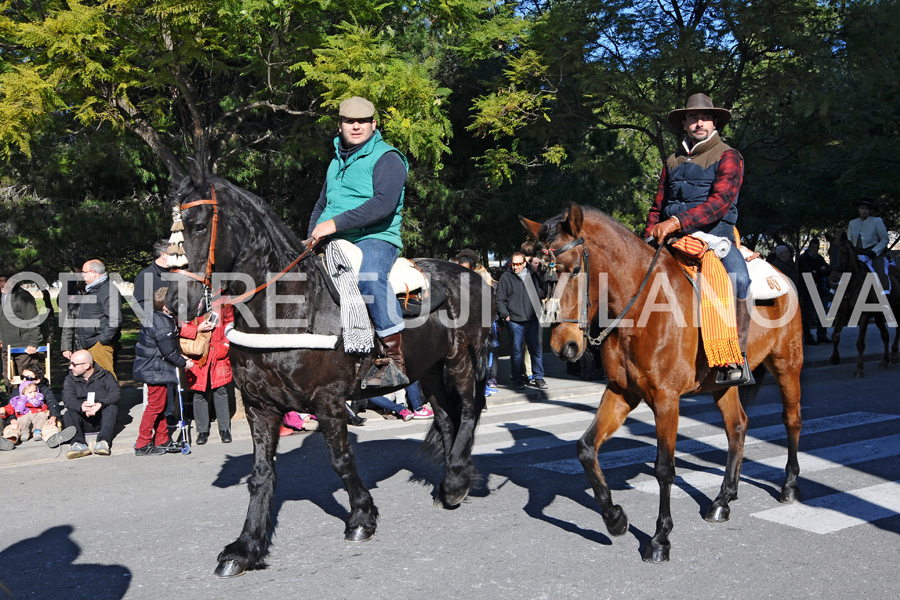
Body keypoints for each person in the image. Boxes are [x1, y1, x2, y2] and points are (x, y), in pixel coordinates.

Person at [643, 92, 752, 385]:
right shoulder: (673, 159)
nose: (699, 122)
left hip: (716, 238)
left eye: (704, 117)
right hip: (673, 238)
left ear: (714, 121)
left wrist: (677, 220)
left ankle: (736, 358)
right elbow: (657, 206)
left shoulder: (729, 155)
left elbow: (720, 202)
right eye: (693, 117)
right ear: (685, 124)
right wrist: (647, 236)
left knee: (739, 279)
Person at [307, 96, 410, 388]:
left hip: (375, 237)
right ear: (340, 125)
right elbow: (321, 204)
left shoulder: (387, 158)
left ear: (373, 124)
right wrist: (312, 234)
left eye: (362, 121)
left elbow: (383, 205)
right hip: (333, 239)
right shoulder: (335, 162)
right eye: (349, 121)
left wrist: (334, 224)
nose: (356, 126)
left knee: (369, 277)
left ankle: (393, 358)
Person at [133, 287, 194, 456]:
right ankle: (142, 443)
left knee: (160, 405)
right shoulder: (162, 324)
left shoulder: (161, 318)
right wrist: (184, 363)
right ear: (166, 306)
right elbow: (168, 352)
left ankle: (162, 438)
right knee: (155, 406)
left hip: (156, 367)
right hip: (154, 369)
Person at [180, 304, 233, 445]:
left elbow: (230, 321)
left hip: (218, 353)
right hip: (198, 354)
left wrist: (226, 344)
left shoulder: (222, 300)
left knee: (221, 391)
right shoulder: (188, 301)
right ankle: (202, 431)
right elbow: (180, 327)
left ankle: (225, 429)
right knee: (199, 393)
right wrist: (197, 329)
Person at [496, 251, 547, 391]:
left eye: (518, 264)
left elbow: (538, 294)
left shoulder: (532, 276)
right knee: (516, 350)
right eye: (513, 264)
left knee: (535, 348)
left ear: (524, 263)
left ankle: (538, 377)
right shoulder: (506, 277)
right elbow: (499, 299)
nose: (515, 267)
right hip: (514, 320)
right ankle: (517, 378)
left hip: (532, 319)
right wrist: (506, 315)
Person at [61, 349, 120, 459]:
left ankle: (103, 441)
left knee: (112, 408)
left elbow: (115, 393)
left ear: (87, 365)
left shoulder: (105, 376)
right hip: (82, 419)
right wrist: (81, 407)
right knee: (68, 413)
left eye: (74, 364)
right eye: (70, 364)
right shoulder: (70, 379)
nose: (70, 367)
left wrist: (100, 404)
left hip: (101, 418)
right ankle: (78, 444)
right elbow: (68, 398)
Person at [74, 260, 122, 379]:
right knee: (93, 381)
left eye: (84, 272)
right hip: (90, 343)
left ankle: (109, 399)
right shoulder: (93, 289)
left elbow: (115, 319)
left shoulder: (107, 290)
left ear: (94, 273)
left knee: (105, 379)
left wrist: (102, 340)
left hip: (99, 345)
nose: (82, 275)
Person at [0, 268, 45, 378]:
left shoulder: (23, 296)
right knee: (8, 378)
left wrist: (33, 343)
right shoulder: (2, 295)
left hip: (24, 347)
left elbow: (33, 321)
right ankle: (12, 395)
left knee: (26, 378)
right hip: (6, 346)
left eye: (2, 281)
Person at [847, 198, 891, 295]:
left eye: (867, 209)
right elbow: (849, 240)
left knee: (880, 272)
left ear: (870, 210)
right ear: (858, 209)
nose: (864, 211)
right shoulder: (852, 223)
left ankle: (885, 295)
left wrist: (873, 252)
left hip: (873, 252)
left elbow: (885, 239)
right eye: (862, 208)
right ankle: (833, 296)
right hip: (856, 253)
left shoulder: (877, 221)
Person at [797, 238, 831, 345]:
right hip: (808, 288)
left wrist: (818, 271)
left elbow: (828, 269)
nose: (815, 250)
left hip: (820, 288)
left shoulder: (819, 258)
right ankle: (808, 337)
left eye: (817, 248)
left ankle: (822, 335)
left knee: (822, 312)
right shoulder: (803, 258)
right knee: (809, 314)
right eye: (813, 248)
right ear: (810, 247)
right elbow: (808, 273)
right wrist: (820, 271)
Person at [1, 381, 57, 445]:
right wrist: (4, 411)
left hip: (38, 425)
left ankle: (53, 437)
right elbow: (9, 409)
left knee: (46, 422)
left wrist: (46, 412)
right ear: (23, 393)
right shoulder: (18, 402)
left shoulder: (39, 401)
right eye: (30, 392)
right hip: (22, 427)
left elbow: (44, 407)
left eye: (35, 391)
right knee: (11, 428)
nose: (33, 394)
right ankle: (9, 440)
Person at [132, 239, 171, 318]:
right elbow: (139, 305)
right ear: (163, 255)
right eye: (173, 254)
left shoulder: (177, 273)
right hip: (158, 325)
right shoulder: (145, 276)